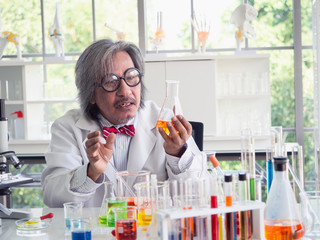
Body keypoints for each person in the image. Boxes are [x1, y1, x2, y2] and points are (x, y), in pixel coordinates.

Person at [41, 39, 208, 208]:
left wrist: (178, 154)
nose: (125, 91)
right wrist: (91, 173)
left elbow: (202, 193)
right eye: (111, 81)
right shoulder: (68, 128)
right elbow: (52, 196)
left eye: (131, 77)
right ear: (90, 94)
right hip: (98, 233)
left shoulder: (165, 121)